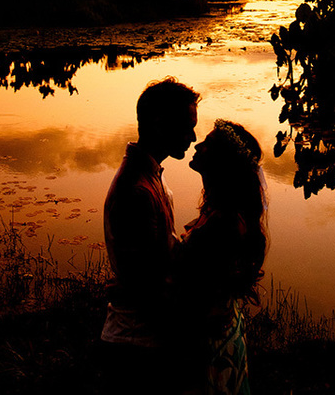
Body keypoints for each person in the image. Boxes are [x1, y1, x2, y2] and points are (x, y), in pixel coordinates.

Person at [100, 77, 200, 384]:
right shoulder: (137, 191)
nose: (194, 136)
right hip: (137, 345)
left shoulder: (150, 175)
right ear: (159, 124)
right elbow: (146, 285)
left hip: (144, 339)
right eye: (187, 125)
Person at [174, 120, 268, 395]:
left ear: (221, 163)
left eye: (208, 144)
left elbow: (195, 292)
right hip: (217, 335)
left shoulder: (223, 223)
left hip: (209, 348)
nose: (197, 145)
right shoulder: (219, 210)